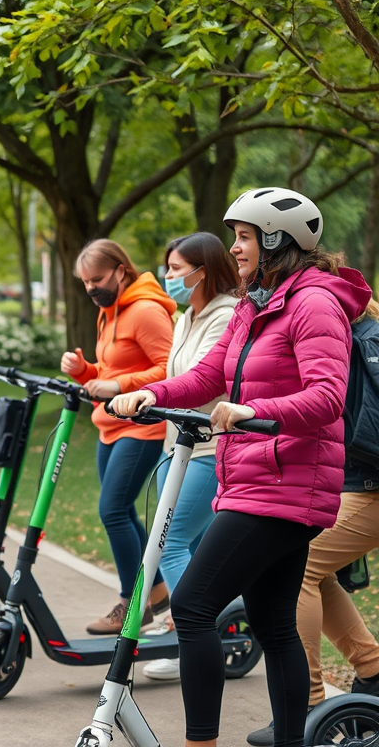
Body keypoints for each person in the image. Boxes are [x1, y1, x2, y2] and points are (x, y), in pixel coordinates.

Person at [110, 187, 372, 747]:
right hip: (256, 480)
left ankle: (199, 741)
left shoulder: (315, 303)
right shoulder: (257, 303)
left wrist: (254, 410)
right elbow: (208, 376)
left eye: (245, 237)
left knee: (194, 604)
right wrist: (149, 394)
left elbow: (327, 396)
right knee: (276, 626)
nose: (235, 248)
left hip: (286, 485)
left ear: (278, 241)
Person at [247, 296, 379, 747]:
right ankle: (372, 668)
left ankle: (305, 704)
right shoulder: (353, 338)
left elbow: (356, 425)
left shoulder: (360, 344)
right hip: (358, 485)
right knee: (303, 562)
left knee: (297, 567)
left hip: (371, 489)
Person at [61, 238, 177, 635]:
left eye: (97, 279)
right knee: (123, 512)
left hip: (144, 425)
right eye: (85, 283)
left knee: (112, 510)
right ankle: (158, 595)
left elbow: (171, 369)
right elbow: (107, 376)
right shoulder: (108, 314)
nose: (92, 288)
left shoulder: (145, 311)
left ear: (121, 270)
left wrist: (121, 385)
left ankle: (134, 602)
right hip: (110, 426)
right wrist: (83, 371)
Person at [141, 232, 240, 682]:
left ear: (203, 270)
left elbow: (204, 382)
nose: (168, 277)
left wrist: (150, 395)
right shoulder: (185, 318)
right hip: (175, 448)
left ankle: (195, 642)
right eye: (168, 268)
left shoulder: (226, 315)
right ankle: (216, 632)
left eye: (177, 269)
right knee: (193, 547)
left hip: (207, 449)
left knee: (170, 543)